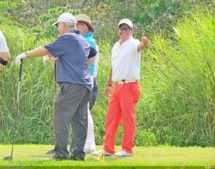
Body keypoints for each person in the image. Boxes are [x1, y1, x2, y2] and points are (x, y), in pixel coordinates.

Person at [15, 12, 97, 161]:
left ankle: (61, 153)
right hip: (84, 85)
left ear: (64, 25)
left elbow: (46, 49)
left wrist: (25, 55)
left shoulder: (67, 37)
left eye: (58, 25)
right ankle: (78, 154)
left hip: (71, 85)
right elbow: (93, 53)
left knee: (61, 117)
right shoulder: (81, 39)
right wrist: (81, 66)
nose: (58, 28)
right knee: (79, 120)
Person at [93, 18, 148, 157]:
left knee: (128, 118)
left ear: (132, 31)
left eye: (128, 29)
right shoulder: (116, 46)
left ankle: (127, 149)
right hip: (117, 87)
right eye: (122, 29)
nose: (125, 31)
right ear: (118, 31)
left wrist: (145, 43)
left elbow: (140, 46)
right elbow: (113, 66)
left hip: (130, 85)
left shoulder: (134, 43)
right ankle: (108, 148)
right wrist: (109, 84)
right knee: (111, 117)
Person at [74, 13, 99, 153]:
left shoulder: (88, 41)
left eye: (80, 25)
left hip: (87, 79)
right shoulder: (82, 39)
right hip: (83, 79)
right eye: (77, 24)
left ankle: (89, 144)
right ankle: (87, 144)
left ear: (86, 27)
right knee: (82, 112)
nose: (77, 27)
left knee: (84, 112)